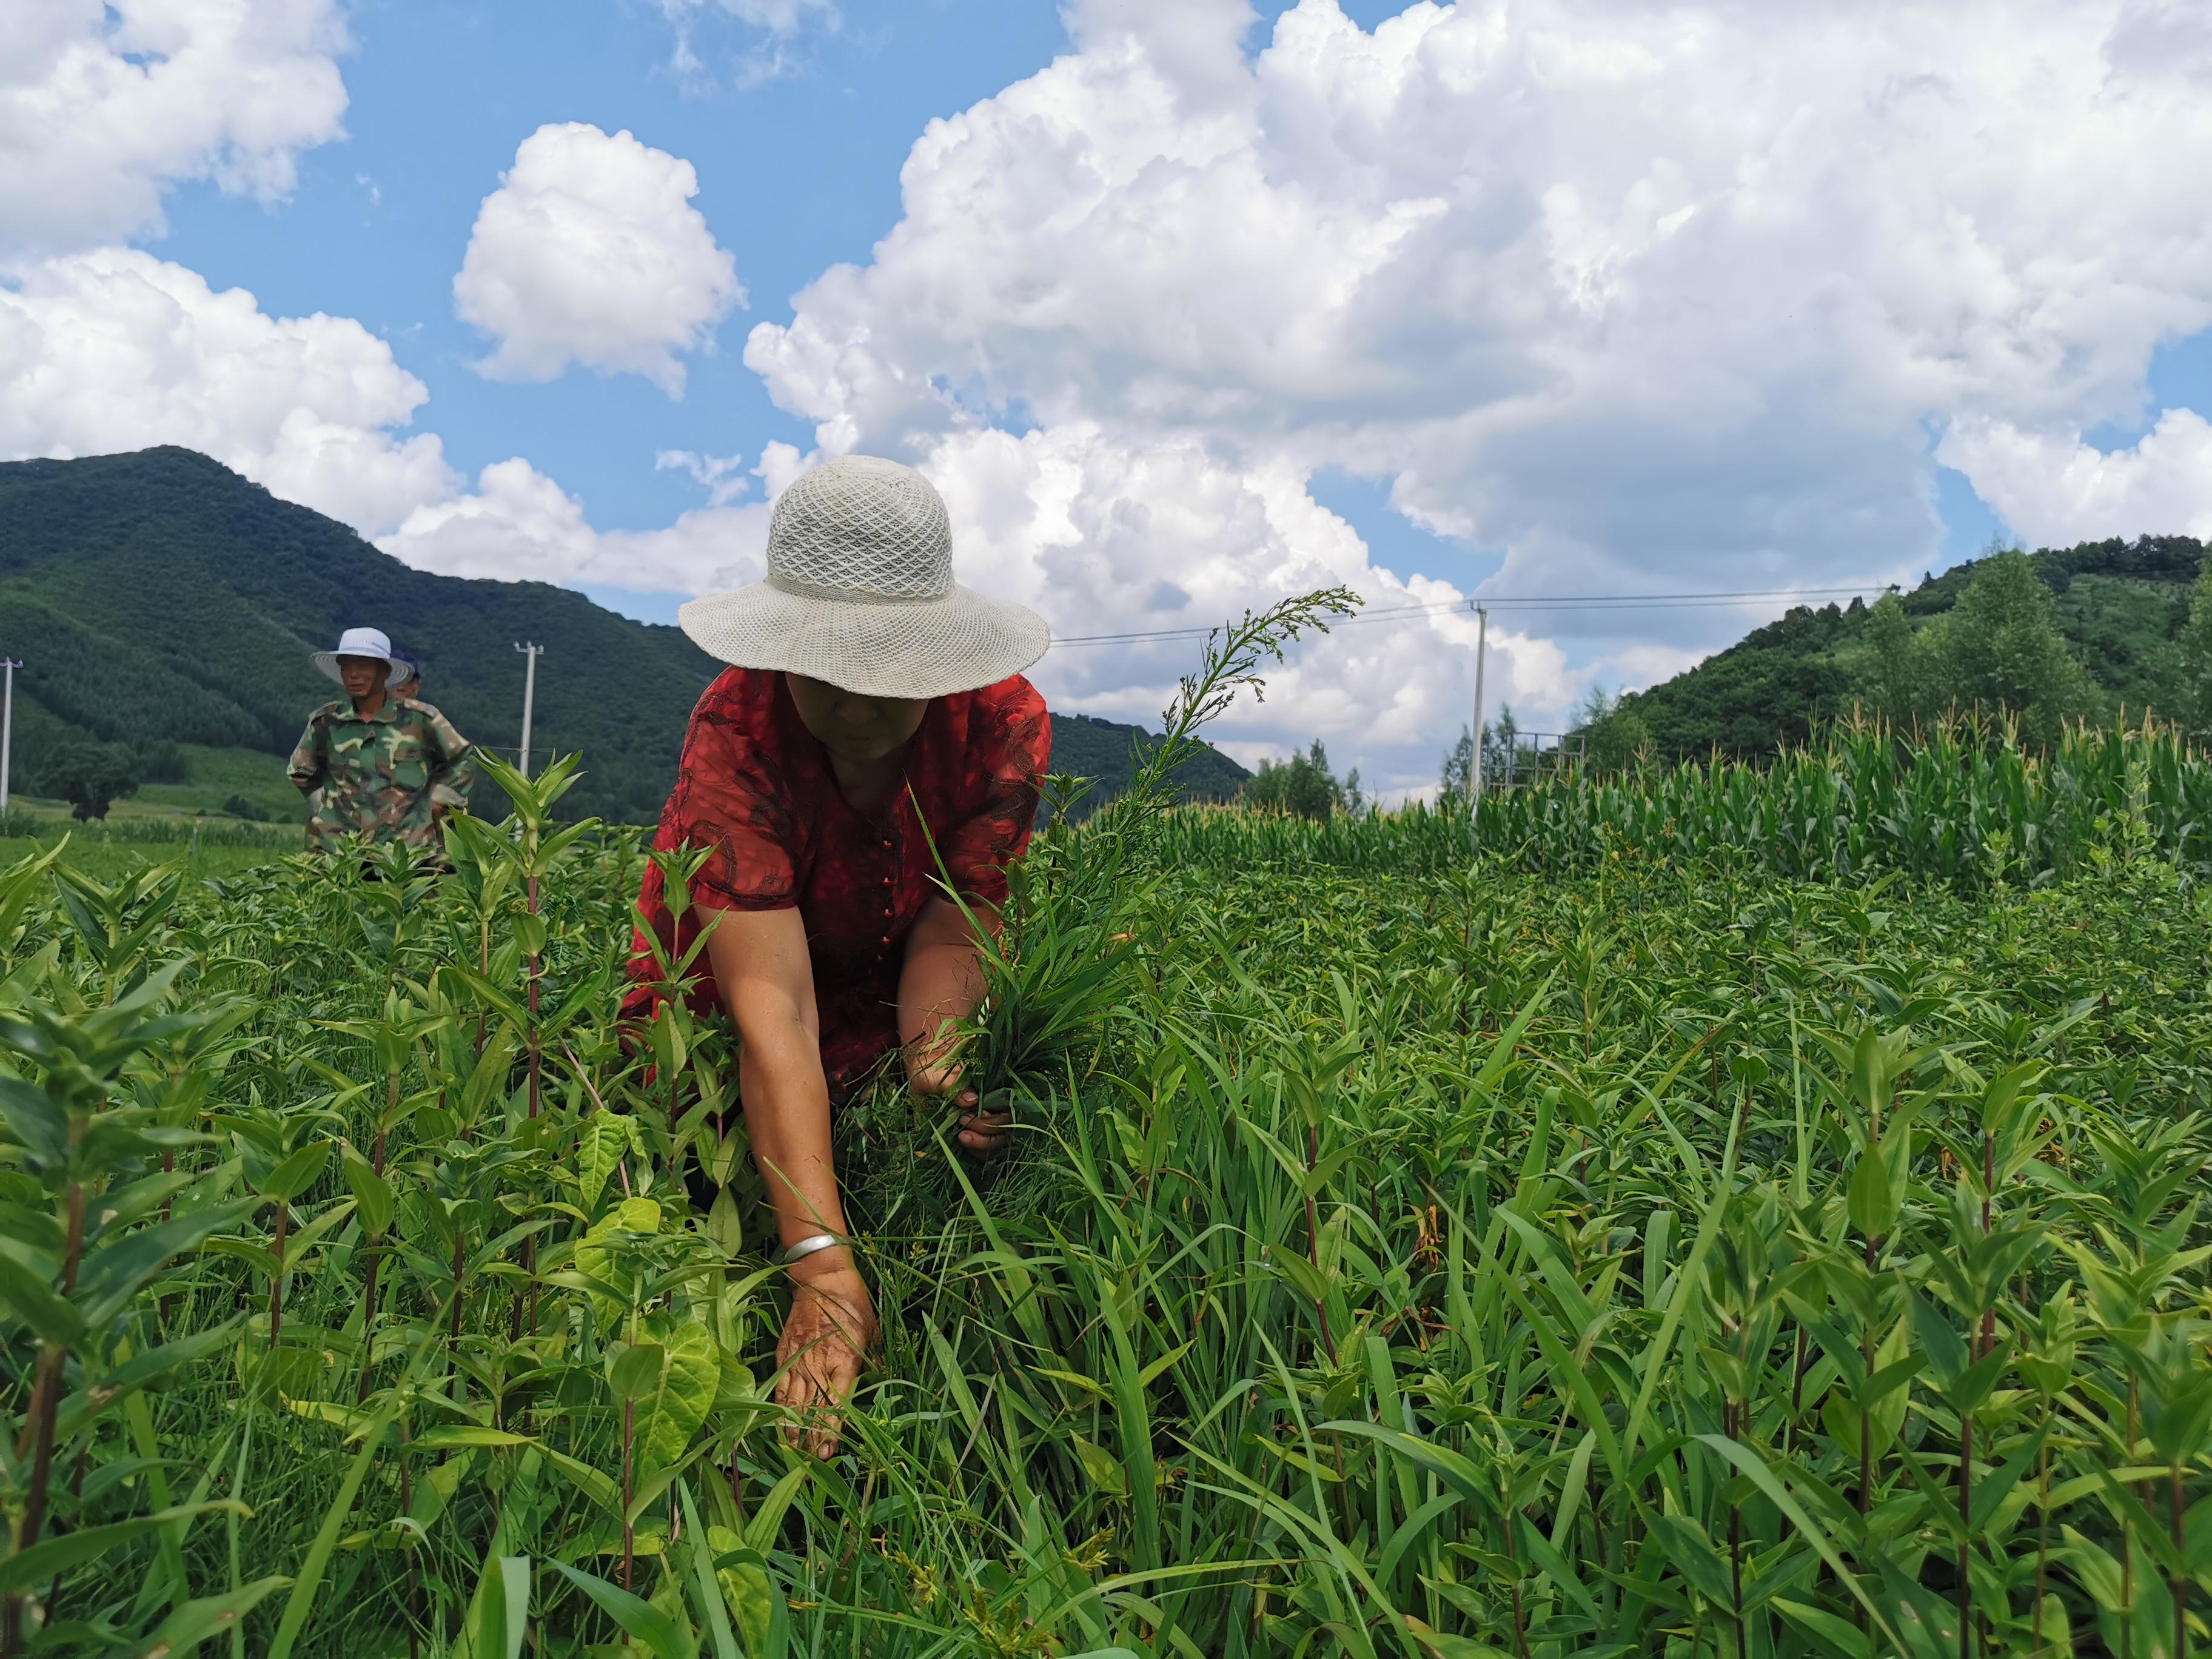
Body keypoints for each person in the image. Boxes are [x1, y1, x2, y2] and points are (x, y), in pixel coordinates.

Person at [623, 454, 1050, 1458]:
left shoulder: (1001, 723)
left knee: (927, 1133)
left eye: (887, 675)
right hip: (728, 1001)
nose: (858, 707)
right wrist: (818, 1264)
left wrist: (934, 1051)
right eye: (830, 674)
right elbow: (774, 1013)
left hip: (878, 979)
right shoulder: (740, 726)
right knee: (685, 1175)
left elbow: (958, 915)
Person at [287, 626, 476, 856]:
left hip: (407, 852)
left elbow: (462, 758)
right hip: (339, 851)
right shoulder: (326, 722)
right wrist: (329, 807)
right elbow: (301, 771)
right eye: (347, 665)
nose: (354, 674)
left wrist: (440, 800)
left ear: (385, 672)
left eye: (364, 665)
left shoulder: (421, 719)